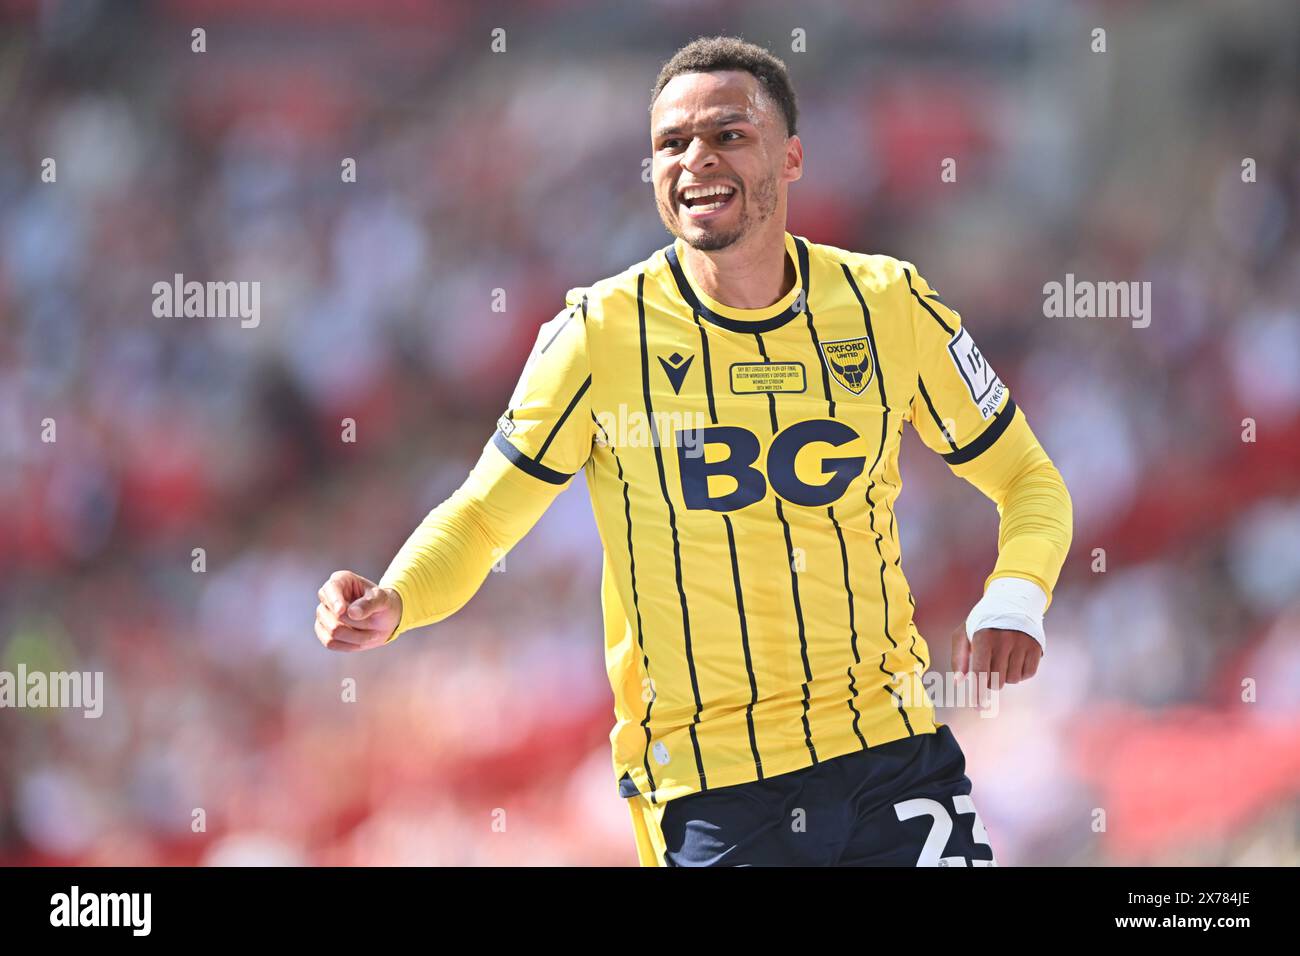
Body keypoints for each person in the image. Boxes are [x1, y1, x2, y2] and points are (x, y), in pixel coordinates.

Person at [314, 35, 1072, 866]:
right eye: (670, 144)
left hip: (892, 752)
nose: (694, 159)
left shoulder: (889, 305)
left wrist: (1015, 596)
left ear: (790, 158)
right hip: (715, 783)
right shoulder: (597, 336)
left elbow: (1028, 478)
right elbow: (486, 515)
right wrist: (397, 598)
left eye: (727, 135)